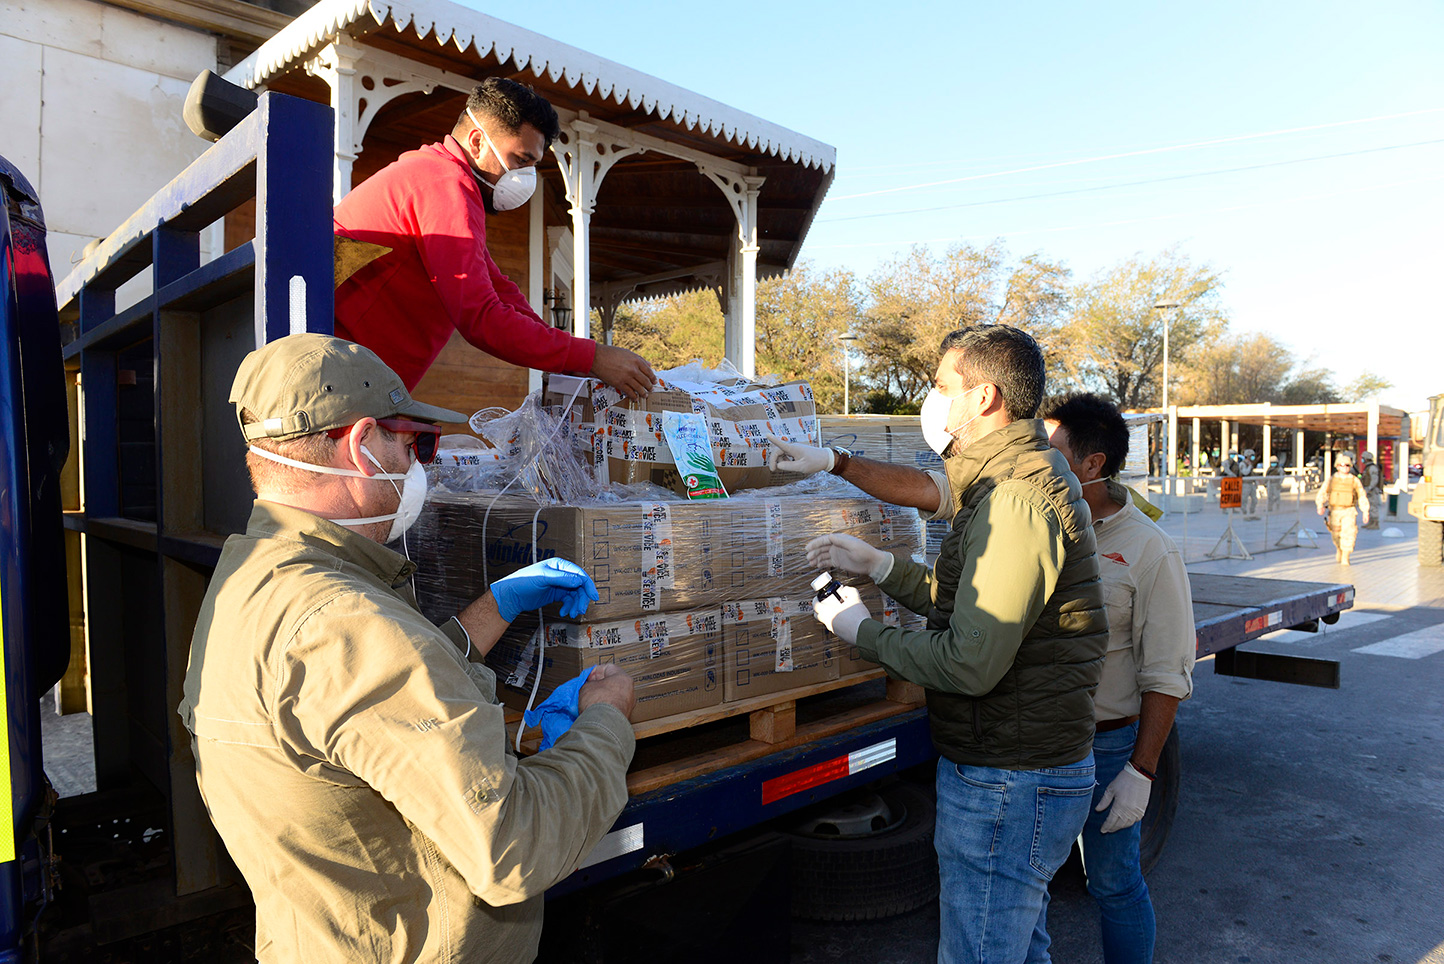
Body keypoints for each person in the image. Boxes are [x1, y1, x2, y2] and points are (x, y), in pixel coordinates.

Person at [179, 333, 638, 963]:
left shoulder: (253, 576)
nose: (416, 461)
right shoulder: (345, 619)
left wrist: (496, 604)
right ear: (362, 446)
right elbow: (515, 848)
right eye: (410, 441)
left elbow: (364, 704)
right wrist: (606, 723)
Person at [777, 325, 1108, 963]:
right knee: (1019, 948)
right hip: (1016, 764)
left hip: (1010, 776)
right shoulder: (1007, 477)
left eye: (941, 387)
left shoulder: (1016, 498)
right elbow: (980, 603)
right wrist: (883, 567)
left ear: (983, 397)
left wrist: (861, 633)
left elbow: (970, 661)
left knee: (980, 953)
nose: (933, 400)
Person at [333, 77, 656, 399]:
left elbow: (500, 291)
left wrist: (583, 356)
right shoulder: (444, 184)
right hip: (340, 381)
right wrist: (593, 357)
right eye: (520, 160)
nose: (523, 176)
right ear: (477, 142)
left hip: (354, 378)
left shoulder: (437, 175)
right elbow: (481, 317)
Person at [1038, 394, 1196, 964]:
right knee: (1025, 886)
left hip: (1106, 745)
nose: (1037, 463)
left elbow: (1167, 673)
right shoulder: (1035, 526)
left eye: (1051, 452)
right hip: (1035, 741)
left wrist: (1141, 771)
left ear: (1092, 465)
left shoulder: (1149, 550)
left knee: (1113, 884)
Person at [1315, 452, 1370, 565]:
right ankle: (1339, 549)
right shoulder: (1331, 480)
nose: (1344, 467)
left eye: (1347, 465)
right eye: (1342, 465)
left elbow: (1361, 495)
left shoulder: (1354, 480)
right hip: (1335, 511)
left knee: (1349, 533)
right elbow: (1323, 492)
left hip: (1349, 510)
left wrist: (1365, 511)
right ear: (1337, 466)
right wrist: (1320, 505)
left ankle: (1346, 555)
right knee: (1336, 534)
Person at [1358, 451, 1383, 529]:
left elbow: (1374, 480)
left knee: (1373, 507)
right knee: (1369, 507)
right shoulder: (1368, 467)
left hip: (1372, 490)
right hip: (1368, 489)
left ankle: (1375, 523)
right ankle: (1370, 522)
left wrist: (1369, 488)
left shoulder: (1372, 468)